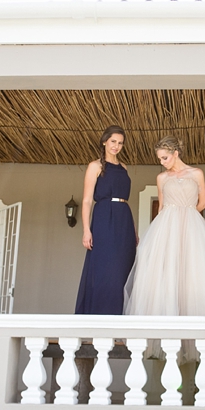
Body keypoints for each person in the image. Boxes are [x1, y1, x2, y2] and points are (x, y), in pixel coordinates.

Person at [123, 135, 205, 317]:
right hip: (166, 226)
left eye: (164, 158)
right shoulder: (162, 177)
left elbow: (203, 204)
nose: (162, 162)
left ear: (175, 153)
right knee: (166, 268)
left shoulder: (196, 173)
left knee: (194, 269)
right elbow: (161, 206)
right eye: (159, 159)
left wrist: (187, 214)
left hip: (191, 225)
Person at [75, 125, 137, 315]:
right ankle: (99, 318)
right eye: (113, 142)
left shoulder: (124, 167)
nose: (116, 146)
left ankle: (120, 319)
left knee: (123, 269)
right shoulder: (95, 166)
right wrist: (86, 230)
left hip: (123, 219)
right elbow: (86, 200)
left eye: (120, 143)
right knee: (105, 269)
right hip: (103, 218)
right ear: (104, 141)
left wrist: (134, 232)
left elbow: (125, 200)